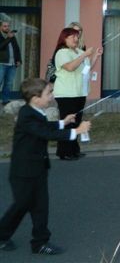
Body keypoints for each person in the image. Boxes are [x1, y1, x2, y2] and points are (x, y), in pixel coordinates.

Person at [0, 78, 91, 256]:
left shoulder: (35, 111)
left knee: (41, 206)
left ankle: (40, 242)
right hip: (24, 172)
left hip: (38, 168)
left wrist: (63, 122)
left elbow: (44, 126)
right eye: (48, 93)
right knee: (21, 205)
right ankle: (2, 235)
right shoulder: (27, 115)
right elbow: (45, 132)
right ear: (36, 98)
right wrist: (77, 131)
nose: (52, 96)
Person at [53, 27, 102, 161]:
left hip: (80, 92)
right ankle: (64, 152)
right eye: (72, 36)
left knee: (76, 123)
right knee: (68, 123)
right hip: (66, 94)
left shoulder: (79, 51)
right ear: (64, 38)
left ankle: (74, 150)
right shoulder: (61, 52)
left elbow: (87, 68)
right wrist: (84, 55)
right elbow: (70, 67)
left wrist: (95, 56)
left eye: (77, 36)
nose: (76, 39)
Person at [0, 15, 22, 106]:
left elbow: (16, 48)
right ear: (0, 27)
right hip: (1, 63)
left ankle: (5, 100)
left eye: (8, 26)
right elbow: (1, 47)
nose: (7, 27)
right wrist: (8, 38)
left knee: (8, 84)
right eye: (5, 26)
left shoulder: (12, 36)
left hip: (12, 64)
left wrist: (19, 60)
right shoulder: (4, 36)